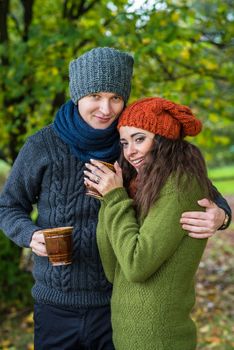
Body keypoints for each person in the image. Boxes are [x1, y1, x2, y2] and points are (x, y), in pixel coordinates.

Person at [0, 47, 230, 350]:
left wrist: (222, 215)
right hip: (56, 304)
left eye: (115, 97)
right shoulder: (42, 145)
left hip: (116, 302)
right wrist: (30, 235)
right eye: (95, 95)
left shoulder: (135, 141)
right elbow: (8, 206)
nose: (106, 109)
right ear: (77, 94)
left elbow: (199, 187)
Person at [84, 97, 232, 350]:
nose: (130, 151)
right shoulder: (141, 187)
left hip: (159, 338)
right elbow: (114, 270)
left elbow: (136, 266)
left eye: (139, 139)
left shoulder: (179, 185)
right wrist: (108, 201)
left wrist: (114, 198)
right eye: (125, 142)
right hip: (128, 334)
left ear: (163, 139)